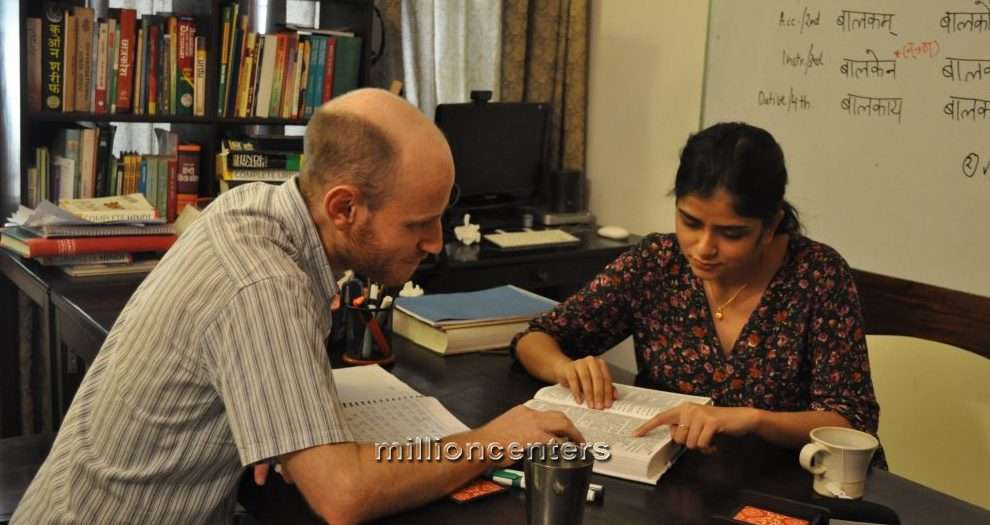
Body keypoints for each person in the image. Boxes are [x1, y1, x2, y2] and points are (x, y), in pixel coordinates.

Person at [13, 89, 582, 525]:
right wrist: (498, 438)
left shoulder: (251, 206)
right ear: (344, 208)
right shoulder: (264, 282)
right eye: (419, 223)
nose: (435, 242)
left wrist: (275, 423)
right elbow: (343, 495)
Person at [514, 122, 881, 454]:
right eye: (690, 222)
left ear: (770, 227)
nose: (704, 248)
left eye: (731, 234)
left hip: (790, 481)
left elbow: (851, 420)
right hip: (676, 474)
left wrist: (753, 419)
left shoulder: (817, 275)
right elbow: (535, 338)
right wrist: (565, 368)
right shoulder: (658, 262)